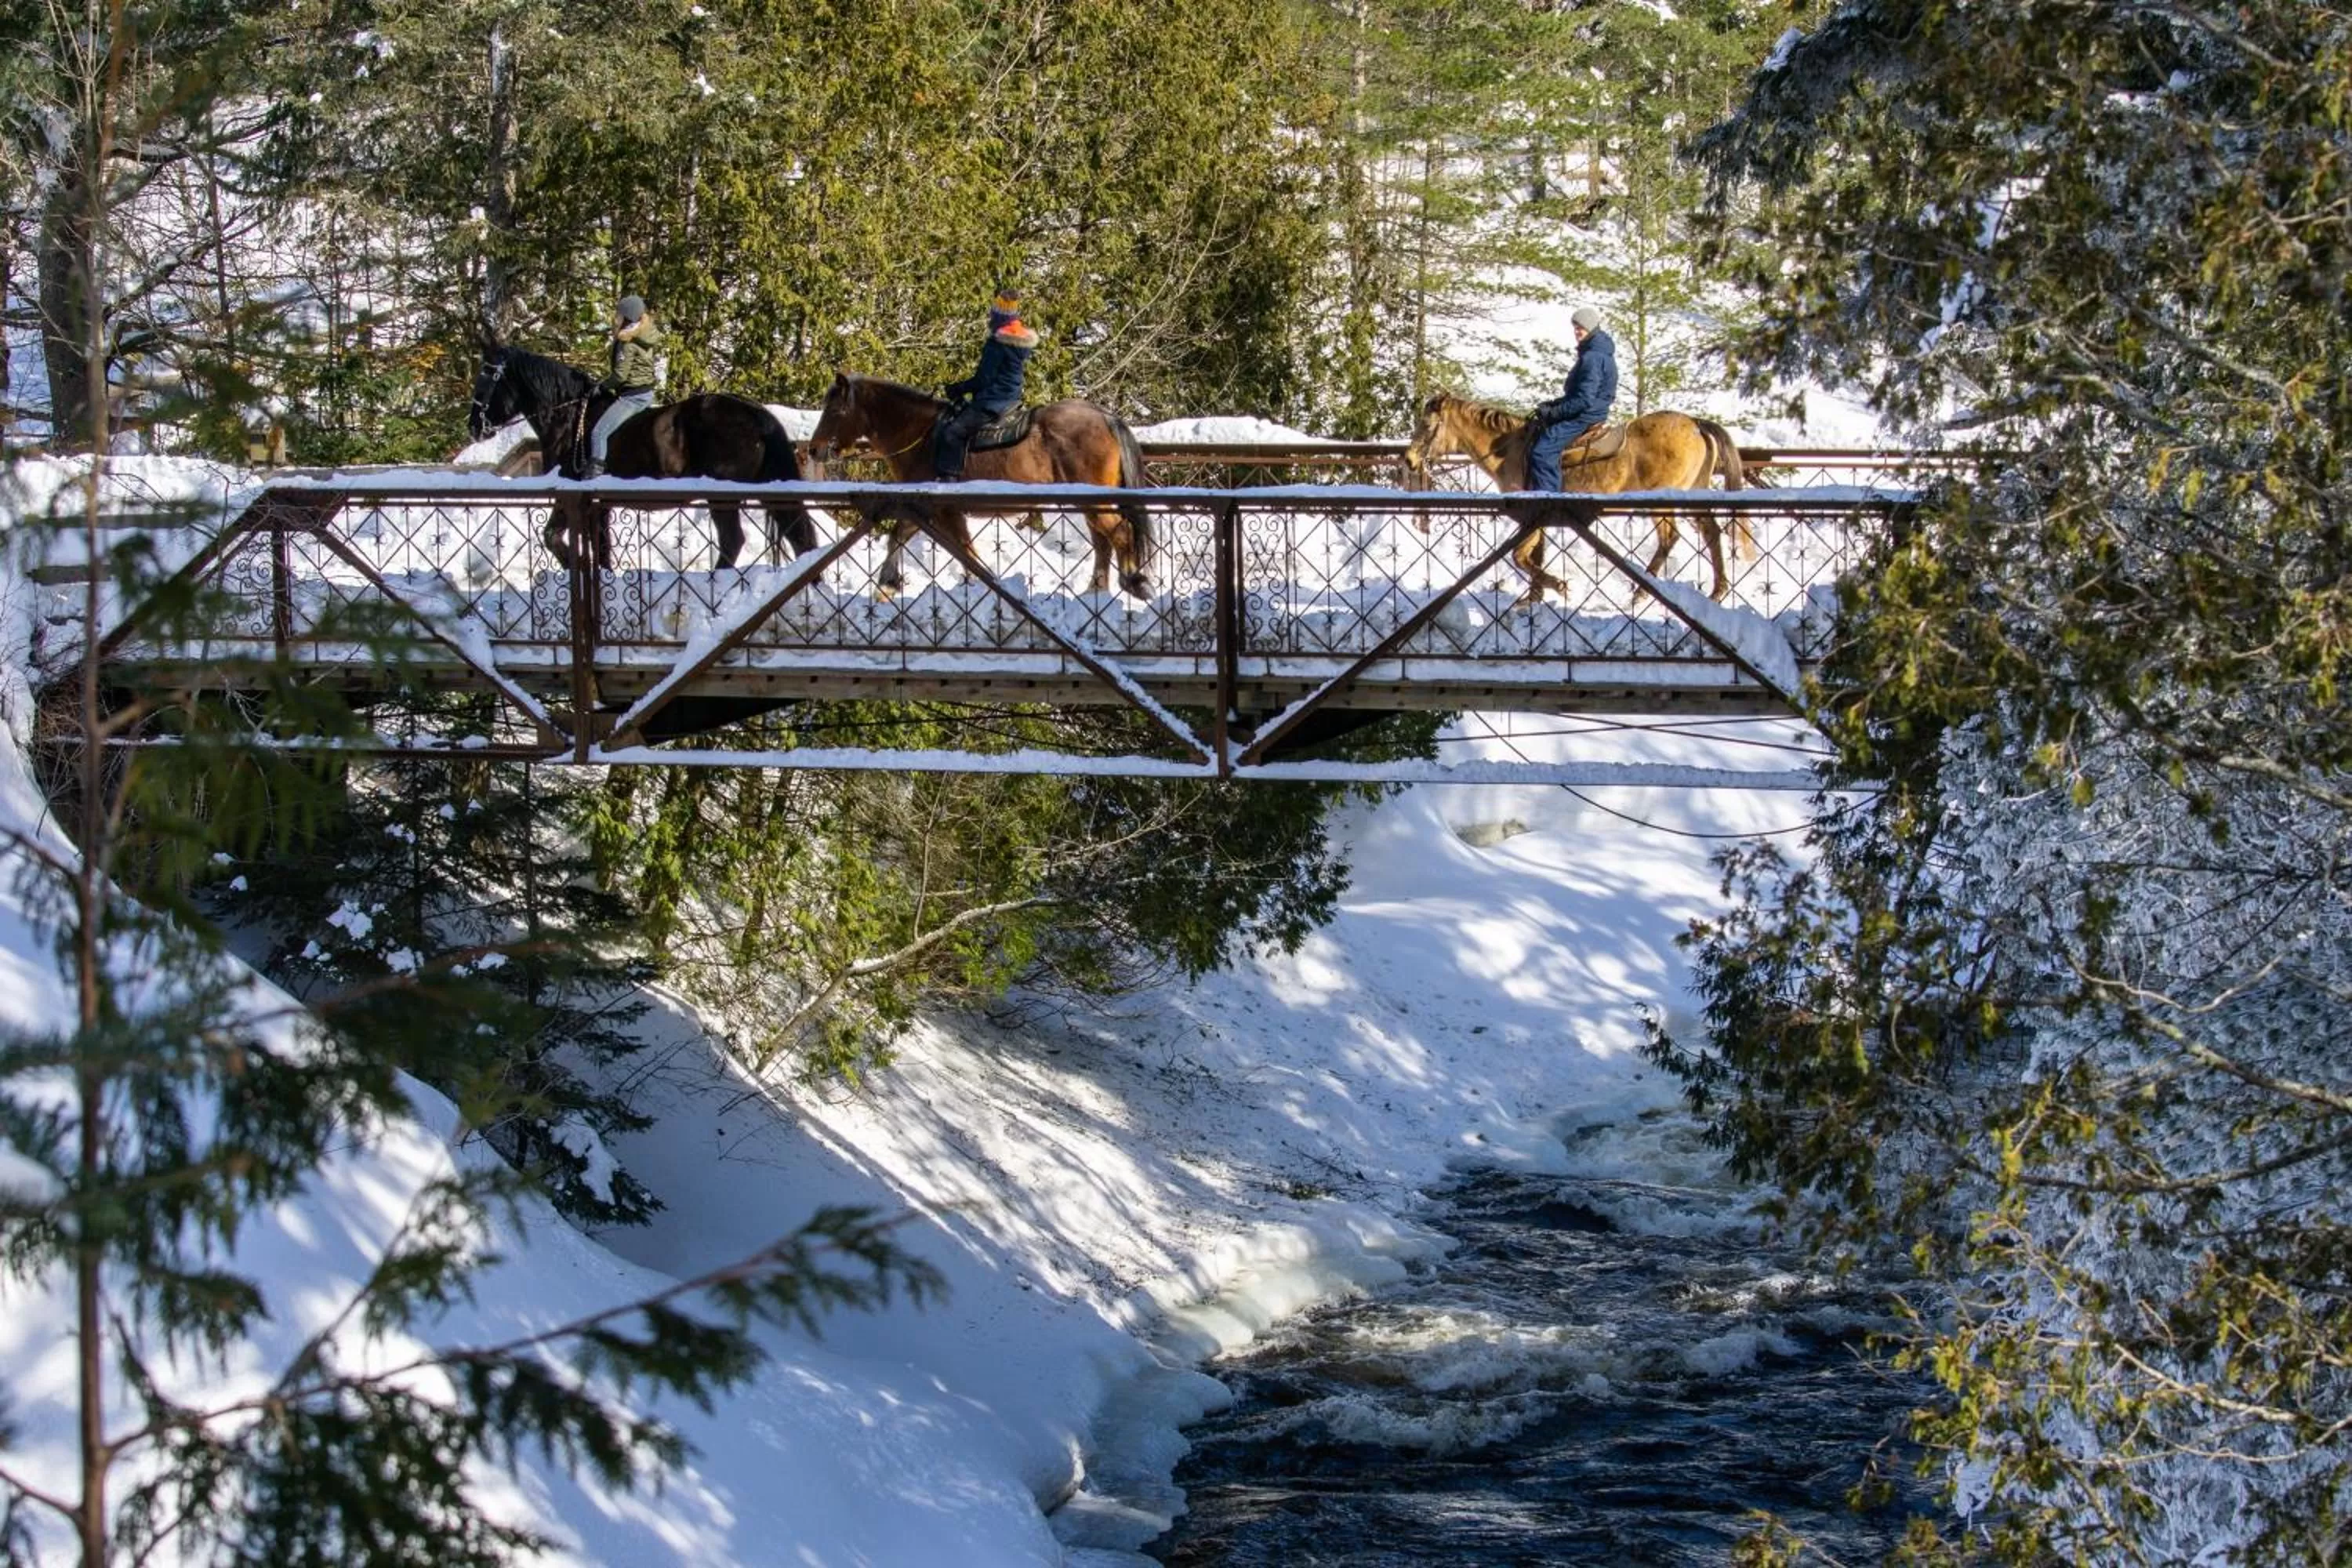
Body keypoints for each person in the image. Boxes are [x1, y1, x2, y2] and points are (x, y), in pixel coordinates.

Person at [935, 288, 1038, 481]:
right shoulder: (1019, 341)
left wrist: (957, 388)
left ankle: (949, 482)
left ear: (998, 316)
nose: (990, 318)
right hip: (1011, 398)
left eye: (993, 314)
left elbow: (983, 379)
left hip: (993, 401)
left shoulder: (997, 343)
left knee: (953, 432)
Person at [1525, 305, 1617, 492]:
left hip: (1585, 415)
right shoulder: (1597, 352)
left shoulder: (1592, 357)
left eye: (1580, 327)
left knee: (1543, 451)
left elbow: (1584, 399)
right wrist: (1553, 405)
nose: (1577, 331)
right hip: (1591, 411)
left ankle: (1549, 501)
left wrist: (1552, 413)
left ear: (1591, 327)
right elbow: (1578, 394)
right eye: (1575, 327)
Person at [583, 294, 662, 479]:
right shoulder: (644, 335)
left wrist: (601, 387)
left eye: (618, 315)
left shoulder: (627, 342)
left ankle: (594, 475)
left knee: (599, 432)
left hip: (632, 397)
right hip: (645, 392)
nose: (615, 319)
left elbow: (620, 375)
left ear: (628, 317)